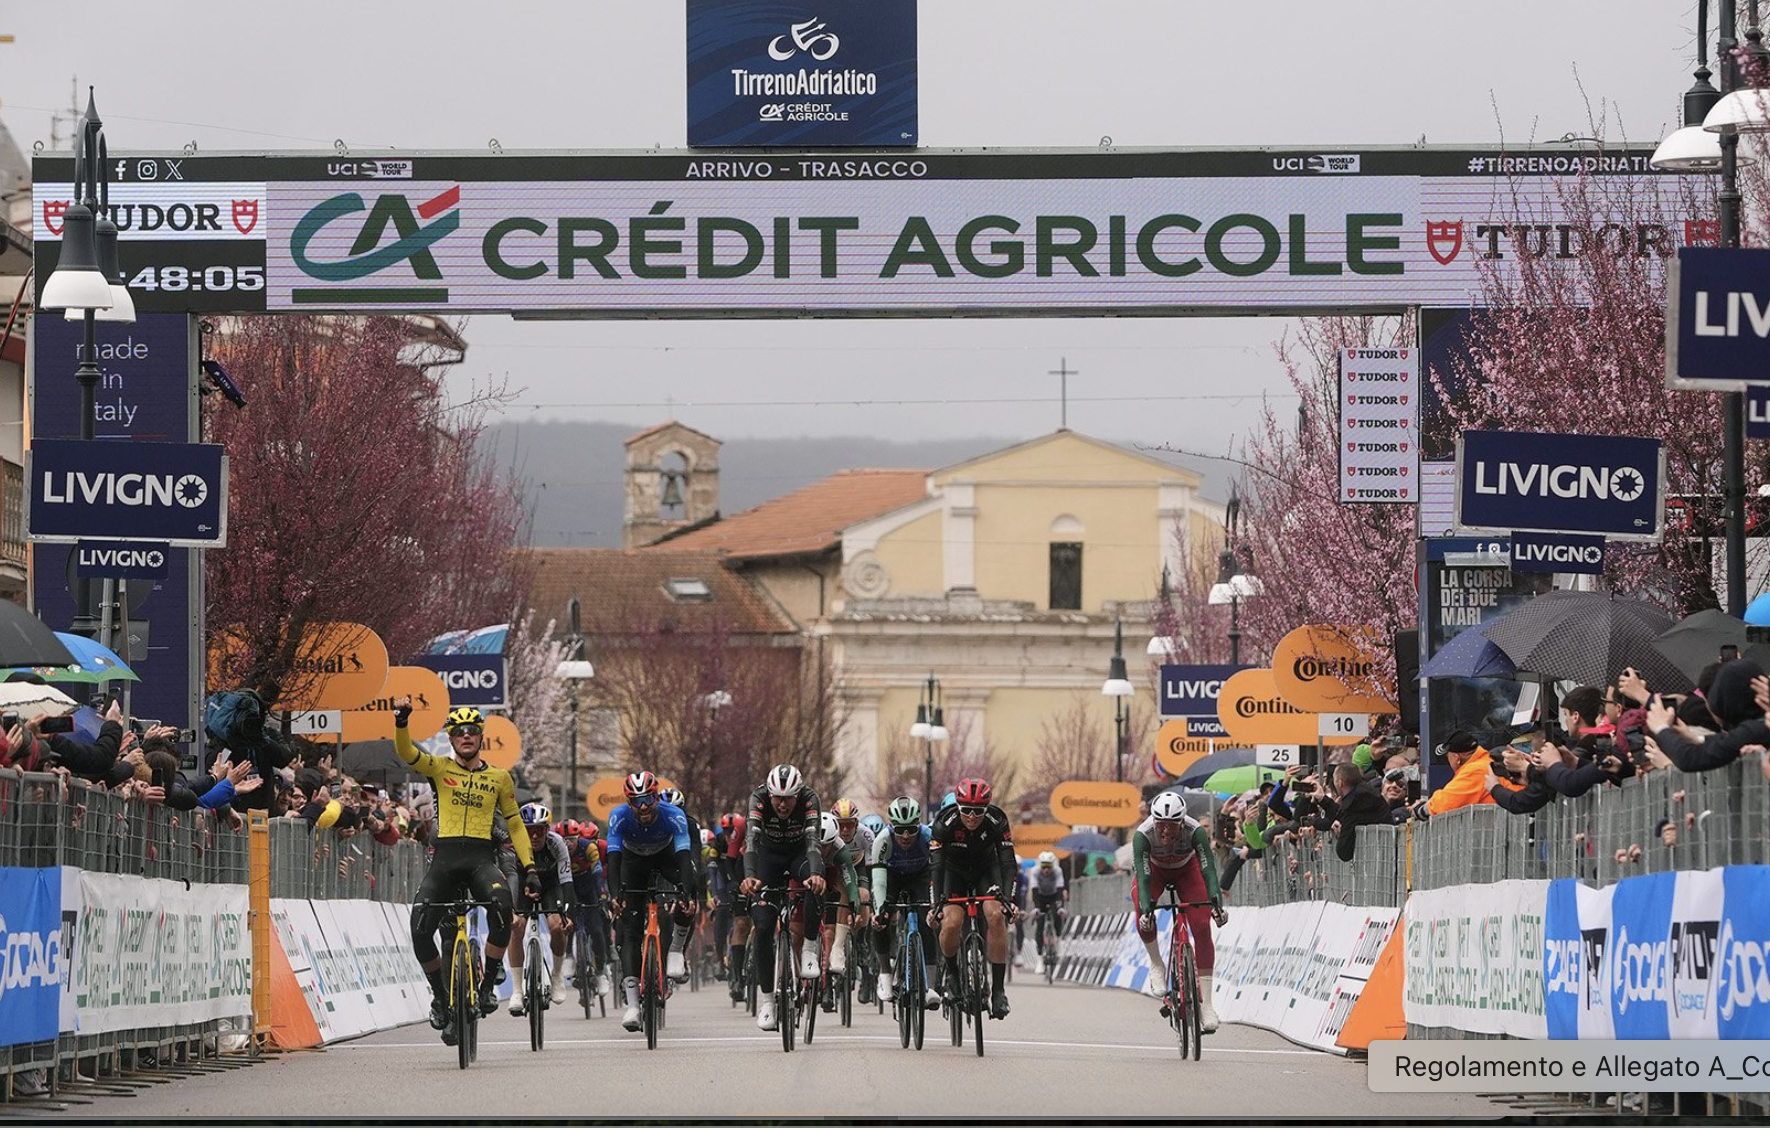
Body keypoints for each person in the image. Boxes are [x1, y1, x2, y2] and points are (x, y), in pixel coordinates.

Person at [394, 701, 537, 1046]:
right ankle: (441, 997)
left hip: (479, 860)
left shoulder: (499, 777)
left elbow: (515, 824)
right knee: (418, 927)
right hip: (444, 861)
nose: (467, 736)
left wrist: (529, 867)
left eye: (473, 731)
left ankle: (487, 987)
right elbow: (406, 752)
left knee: (503, 906)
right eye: (459, 732)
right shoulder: (439, 767)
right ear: (451, 738)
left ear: (481, 737)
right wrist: (401, 721)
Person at [604, 770, 699, 1032]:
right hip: (632, 863)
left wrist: (686, 893)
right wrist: (615, 895)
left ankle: (677, 949)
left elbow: (683, 857)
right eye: (636, 801)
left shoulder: (673, 815)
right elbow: (613, 859)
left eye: (648, 799)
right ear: (628, 802)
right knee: (631, 931)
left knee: (690, 894)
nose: (643, 807)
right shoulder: (618, 817)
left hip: (666, 857)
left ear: (657, 797)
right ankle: (633, 1005)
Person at [1130, 791, 1227, 1033]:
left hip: (1188, 870)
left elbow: (1209, 871)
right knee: (1142, 909)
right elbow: (1143, 878)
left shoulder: (1196, 832)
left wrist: (1217, 905)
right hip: (1155, 870)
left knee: (1203, 927)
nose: (1165, 832)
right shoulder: (1143, 835)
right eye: (1160, 825)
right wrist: (1146, 910)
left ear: (1181, 823)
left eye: (1171, 827)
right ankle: (1157, 964)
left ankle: (1207, 1007)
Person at [739, 764, 825, 1032]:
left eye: (788, 798)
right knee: (763, 927)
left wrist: (814, 874)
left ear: (798, 795)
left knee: (815, 884)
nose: (782, 804)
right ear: (770, 793)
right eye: (777, 797)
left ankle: (809, 948)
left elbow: (813, 843)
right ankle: (767, 1003)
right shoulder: (758, 798)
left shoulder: (810, 799)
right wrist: (750, 875)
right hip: (768, 858)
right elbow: (751, 841)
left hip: (800, 854)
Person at [930, 777, 1017, 1020]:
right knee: (951, 923)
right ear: (957, 807)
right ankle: (954, 976)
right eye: (966, 810)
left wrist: (1009, 900)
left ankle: (999, 992)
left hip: (986, 871)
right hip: (952, 872)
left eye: (978, 811)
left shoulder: (996, 820)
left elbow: (1008, 862)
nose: (971, 816)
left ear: (987, 808)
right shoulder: (944, 823)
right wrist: (936, 903)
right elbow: (935, 867)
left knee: (995, 916)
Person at [868, 795, 942, 1009]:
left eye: (911, 828)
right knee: (880, 919)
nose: (907, 835)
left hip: (920, 876)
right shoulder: (882, 840)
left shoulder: (929, 836)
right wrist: (880, 909)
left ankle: (930, 984)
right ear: (891, 826)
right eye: (900, 830)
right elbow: (879, 882)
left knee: (926, 921)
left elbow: (937, 871)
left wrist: (935, 906)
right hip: (892, 877)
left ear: (919, 823)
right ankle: (884, 973)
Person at [507, 803, 575, 1016]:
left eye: (540, 830)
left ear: (548, 830)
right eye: (529, 830)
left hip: (550, 886)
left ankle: (556, 976)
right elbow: (509, 877)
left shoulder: (557, 844)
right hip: (521, 884)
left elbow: (566, 880)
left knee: (557, 926)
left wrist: (568, 914)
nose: (535, 836)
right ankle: (517, 990)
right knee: (516, 926)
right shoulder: (513, 844)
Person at [801, 812, 859, 1011]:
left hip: (831, 877)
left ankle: (826, 985)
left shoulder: (840, 849)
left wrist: (853, 903)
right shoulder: (804, 843)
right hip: (806, 874)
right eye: (820, 845)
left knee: (829, 931)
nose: (824, 850)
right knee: (796, 929)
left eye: (828, 845)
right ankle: (795, 977)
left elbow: (849, 878)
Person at [658, 786, 705, 984]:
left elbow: (694, 860)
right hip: (659, 869)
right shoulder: (652, 824)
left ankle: (680, 954)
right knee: (661, 915)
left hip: (681, 866)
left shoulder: (691, 826)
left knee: (686, 908)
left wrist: (692, 893)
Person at [562, 818, 613, 999]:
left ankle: (600, 972)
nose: (568, 844)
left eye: (572, 840)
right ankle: (568, 955)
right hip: (569, 887)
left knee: (597, 930)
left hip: (589, 886)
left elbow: (598, 872)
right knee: (568, 922)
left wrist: (602, 895)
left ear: (578, 839)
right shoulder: (558, 850)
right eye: (564, 840)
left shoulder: (589, 848)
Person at [711, 812, 750, 999]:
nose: (729, 835)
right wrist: (717, 895)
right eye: (726, 831)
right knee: (734, 919)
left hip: (758, 878)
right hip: (729, 877)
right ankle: (733, 972)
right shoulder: (720, 842)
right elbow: (718, 869)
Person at [1419, 730, 1497, 817]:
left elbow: (1445, 803)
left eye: (1447, 756)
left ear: (1456, 757)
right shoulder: (1484, 763)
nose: (1448, 760)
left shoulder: (1475, 770)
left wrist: (1421, 810)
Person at [1028, 850, 1068, 958]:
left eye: (1049, 866)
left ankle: (1059, 940)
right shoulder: (1035, 871)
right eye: (1044, 866)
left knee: (1057, 915)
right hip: (1040, 897)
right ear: (1040, 865)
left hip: (1053, 896)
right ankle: (1040, 956)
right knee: (1040, 924)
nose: (1046, 869)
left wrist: (1060, 907)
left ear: (1053, 865)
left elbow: (1060, 890)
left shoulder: (1058, 871)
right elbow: (1034, 891)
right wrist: (1036, 908)